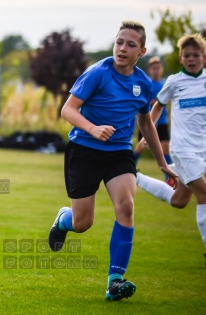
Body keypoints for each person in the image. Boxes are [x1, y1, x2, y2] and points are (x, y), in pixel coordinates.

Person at [47, 21, 178, 301]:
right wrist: (92, 128)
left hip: (119, 153)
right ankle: (63, 220)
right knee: (83, 223)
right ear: (114, 44)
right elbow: (68, 110)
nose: (122, 48)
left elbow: (145, 122)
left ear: (141, 50)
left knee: (127, 206)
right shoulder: (97, 73)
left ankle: (114, 281)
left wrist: (162, 162)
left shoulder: (142, 82)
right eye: (119, 42)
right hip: (84, 150)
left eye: (130, 44)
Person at [136, 34, 206, 265]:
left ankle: (135, 177)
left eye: (196, 55)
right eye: (187, 55)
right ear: (181, 58)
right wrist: (150, 132)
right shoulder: (175, 82)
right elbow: (156, 107)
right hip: (183, 149)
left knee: (179, 201)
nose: (191, 59)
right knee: (204, 193)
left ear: (203, 58)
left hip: (202, 150)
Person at [132, 56, 172, 184]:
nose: (156, 70)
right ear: (150, 70)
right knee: (141, 146)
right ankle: (129, 167)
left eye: (158, 68)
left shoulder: (165, 83)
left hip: (163, 122)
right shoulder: (147, 83)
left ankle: (169, 178)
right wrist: (156, 101)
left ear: (162, 69)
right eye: (154, 68)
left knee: (165, 147)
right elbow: (142, 100)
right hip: (148, 121)